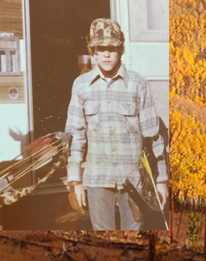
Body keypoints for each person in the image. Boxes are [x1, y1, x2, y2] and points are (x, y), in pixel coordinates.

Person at [65, 18, 169, 230]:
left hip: (134, 180)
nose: (106, 54)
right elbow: (75, 137)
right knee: (103, 239)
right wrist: (74, 181)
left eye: (111, 48)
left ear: (121, 50)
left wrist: (162, 181)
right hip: (97, 179)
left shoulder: (138, 84)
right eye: (100, 48)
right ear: (92, 51)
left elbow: (153, 137)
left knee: (133, 238)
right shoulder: (81, 86)